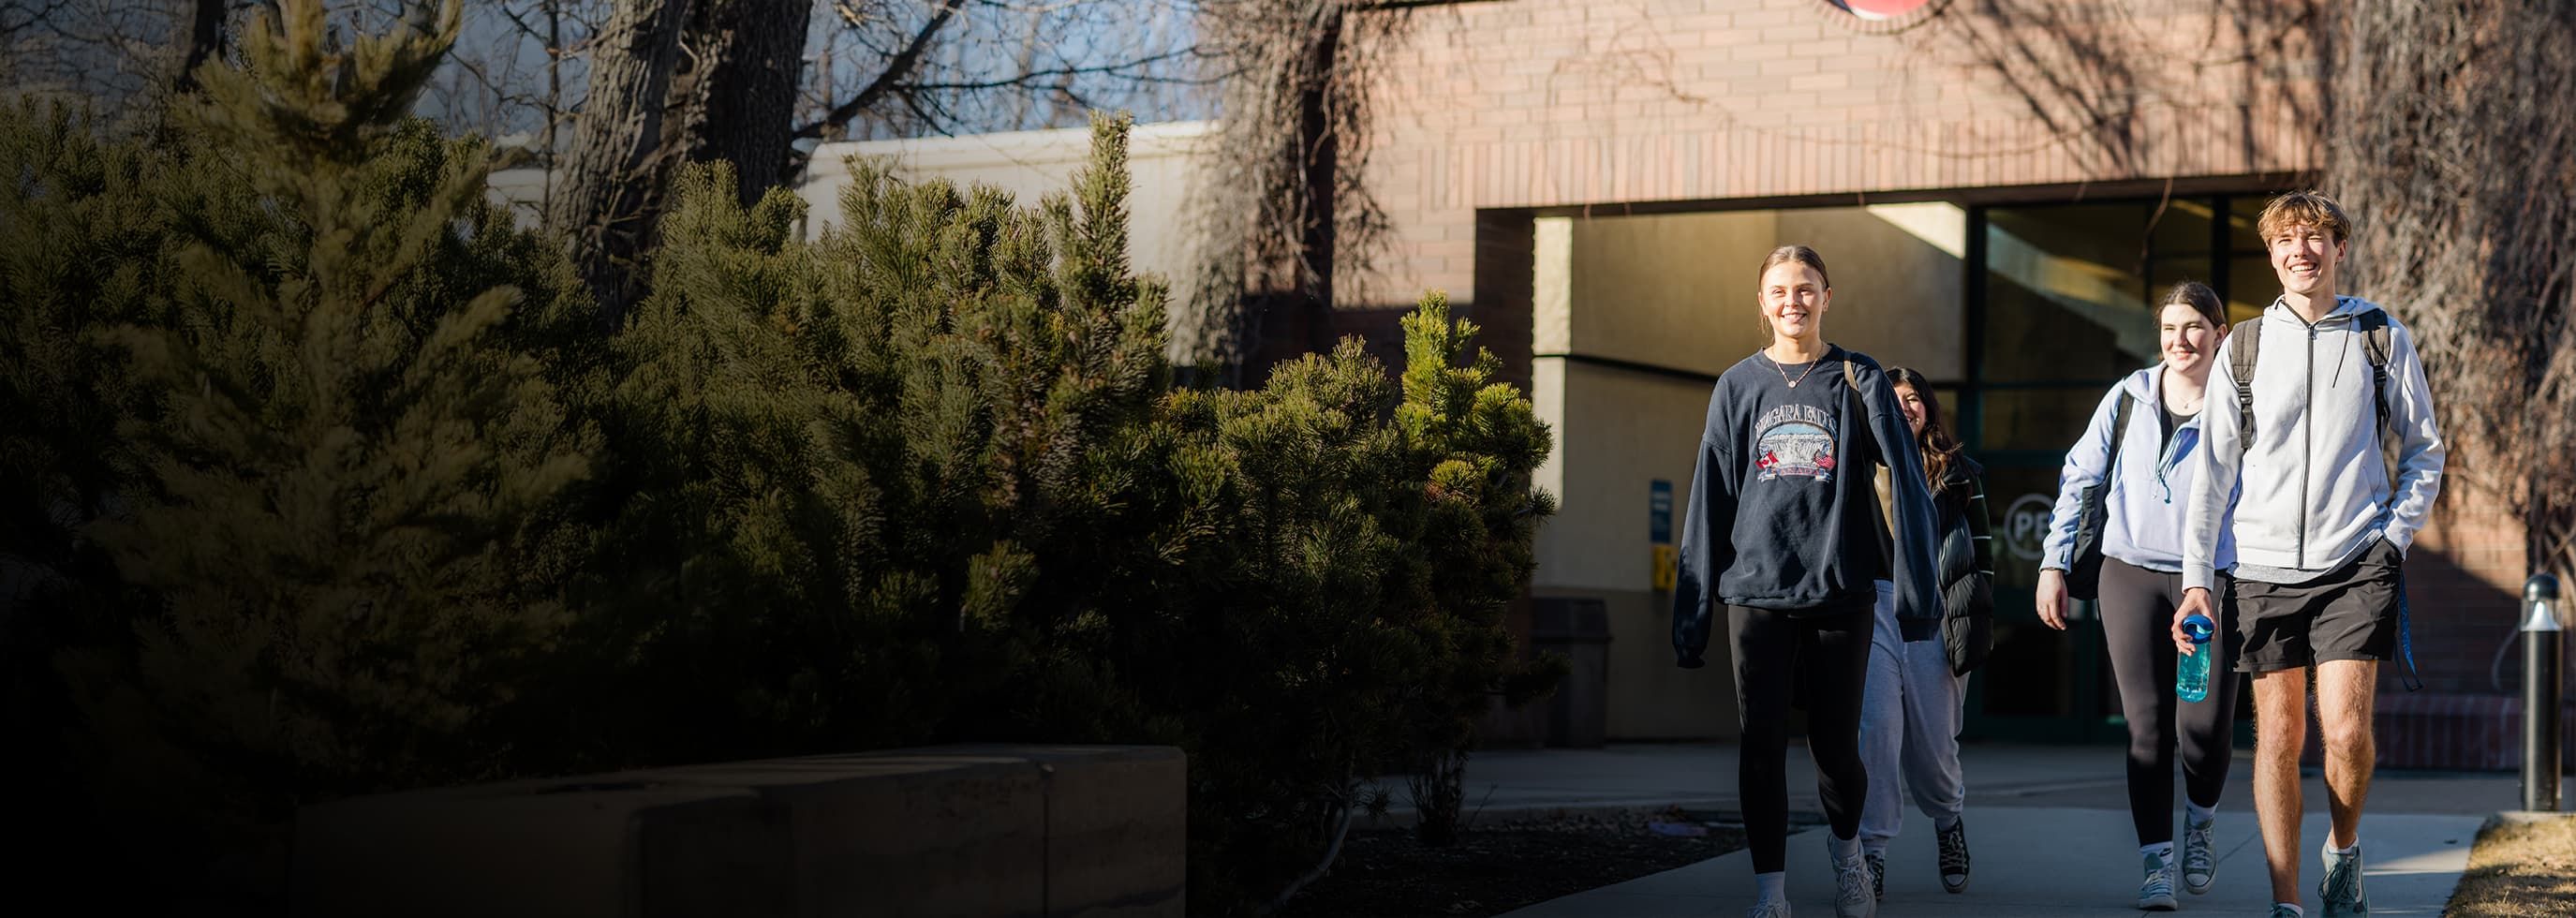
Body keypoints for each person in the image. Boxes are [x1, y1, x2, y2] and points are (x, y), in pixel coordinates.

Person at [2172, 191, 2445, 918]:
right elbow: (2213, 477)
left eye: (2316, 237)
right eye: (2288, 239)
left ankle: (2344, 850)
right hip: (2261, 567)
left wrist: (2392, 537)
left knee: (2348, 731)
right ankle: (2287, 901)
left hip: (2356, 557)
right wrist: (2199, 580)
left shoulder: (2381, 335)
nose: (2302, 250)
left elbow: (2424, 452)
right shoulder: (2245, 346)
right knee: (2280, 737)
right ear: (2271, 254)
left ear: (2339, 249)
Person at [1672, 244, 1944, 918]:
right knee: (1759, 748)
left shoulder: (1857, 377)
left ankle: (1849, 855)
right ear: (1762, 303)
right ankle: (1772, 893)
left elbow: (1905, 479)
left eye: (1806, 288)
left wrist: (1917, 596)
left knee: (1835, 750)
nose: (1793, 300)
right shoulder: (1737, 386)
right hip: (1757, 594)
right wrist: (1693, 608)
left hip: (1840, 592)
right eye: (1779, 290)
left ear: (1828, 296)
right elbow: (1711, 496)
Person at [2035, 281, 2243, 911]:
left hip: (2212, 582)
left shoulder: (2242, 407)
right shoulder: (2127, 398)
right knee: (2147, 729)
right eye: (2169, 329)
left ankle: (2200, 820)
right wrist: (2054, 562)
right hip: (2128, 575)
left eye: (2194, 327)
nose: (2180, 341)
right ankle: (2157, 863)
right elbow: (2080, 477)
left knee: (2202, 727)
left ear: (2220, 334)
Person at [1853, 365, 1990, 902]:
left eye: (1914, 398)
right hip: (1875, 609)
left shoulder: (1958, 475)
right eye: (1893, 397)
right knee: (1877, 736)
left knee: (1934, 747)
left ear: (1929, 409)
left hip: (1934, 611)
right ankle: (1873, 853)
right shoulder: (1858, 467)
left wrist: (1970, 632)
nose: (1904, 405)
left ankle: (1947, 820)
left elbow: (1981, 560)